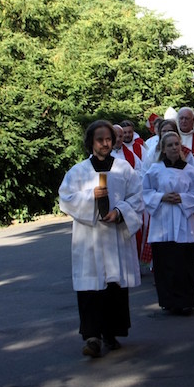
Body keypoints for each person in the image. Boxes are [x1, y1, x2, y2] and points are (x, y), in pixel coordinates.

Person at [58, 120, 144, 357]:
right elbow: (65, 199)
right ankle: (92, 337)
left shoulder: (124, 169)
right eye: (100, 139)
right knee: (91, 288)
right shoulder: (78, 172)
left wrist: (120, 212)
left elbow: (137, 197)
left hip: (115, 236)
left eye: (108, 139)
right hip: (90, 238)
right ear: (90, 142)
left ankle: (111, 332)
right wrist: (90, 197)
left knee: (113, 287)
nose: (105, 143)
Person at [143, 131, 194, 314]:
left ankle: (186, 301)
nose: (174, 148)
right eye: (169, 145)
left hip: (182, 221)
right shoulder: (154, 170)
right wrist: (161, 197)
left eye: (176, 144)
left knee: (184, 264)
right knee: (165, 263)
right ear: (162, 148)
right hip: (162, 220)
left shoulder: (190, 170)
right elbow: (145, 192)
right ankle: (168, 301)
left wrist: (182, 198)